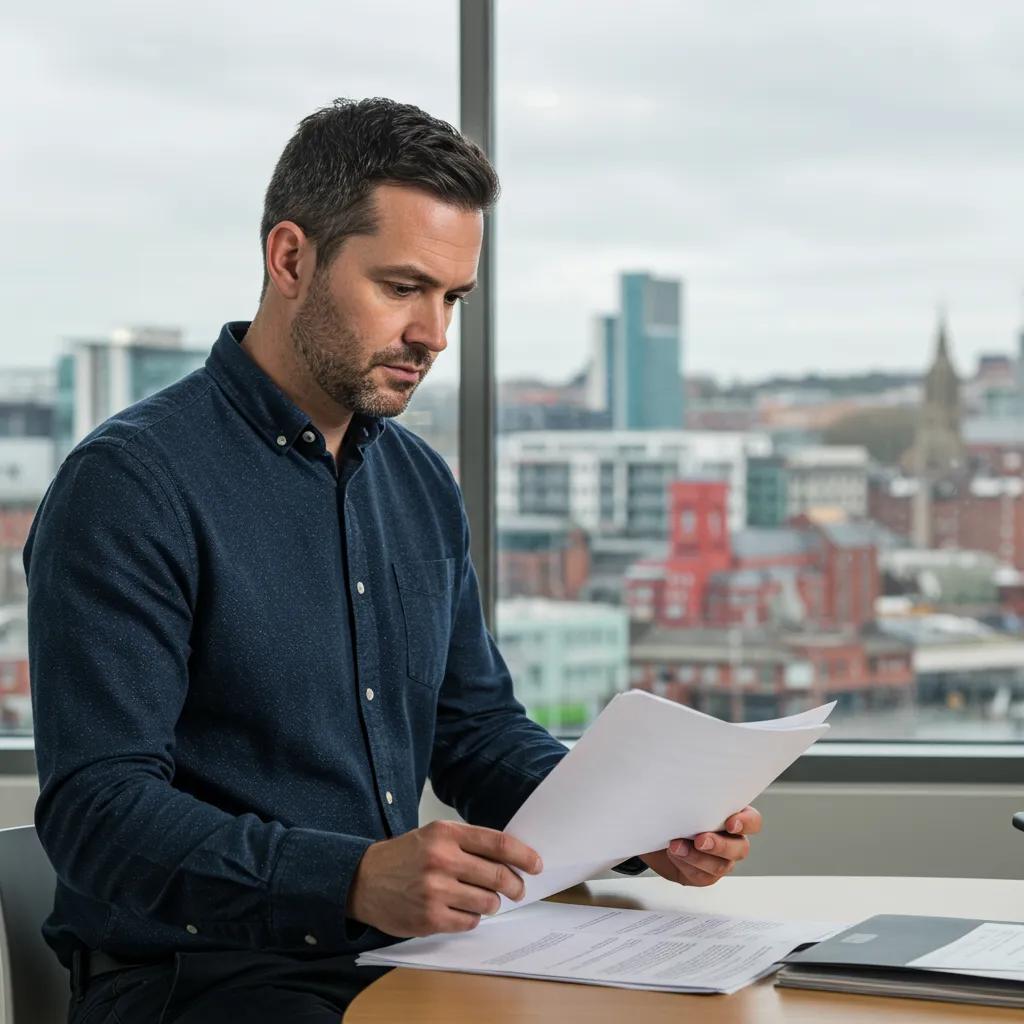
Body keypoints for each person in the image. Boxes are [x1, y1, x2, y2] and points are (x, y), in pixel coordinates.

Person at [24, 97, 762, 1024]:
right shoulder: (130, 485)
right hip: (198, 981)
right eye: (403, 287)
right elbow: (98, 811)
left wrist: (641, 824)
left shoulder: (416, 480)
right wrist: (353, 877)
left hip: (398, 956)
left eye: (452, 298)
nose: (435, 334)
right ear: (290, 258)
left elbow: (476, 733)